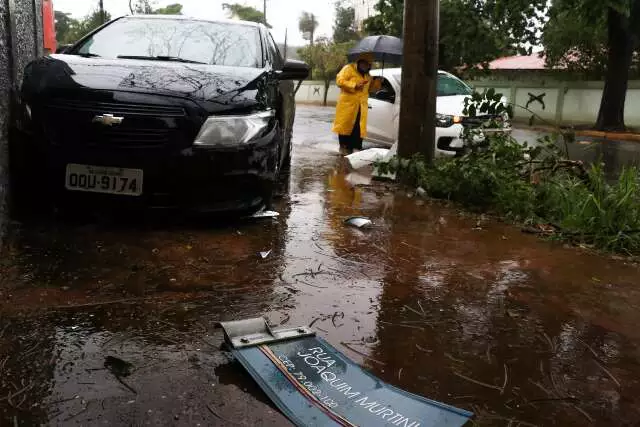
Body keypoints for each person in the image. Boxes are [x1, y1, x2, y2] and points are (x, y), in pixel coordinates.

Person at [332, 54, 382, 155]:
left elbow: (371, 89)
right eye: (364, 63)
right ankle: (344, 149)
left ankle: (356, 149)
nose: (366, 66)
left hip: (361, 106)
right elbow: (339, 81)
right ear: (359, 62)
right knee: (346, 127)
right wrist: (354, 85)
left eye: (368, 64)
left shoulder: (368, 76)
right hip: (347, 106)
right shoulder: (348, 69)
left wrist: (377, 82)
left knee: (358, 129)